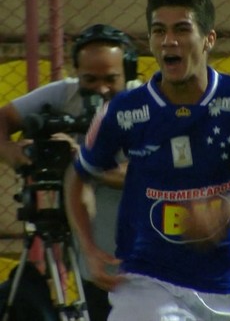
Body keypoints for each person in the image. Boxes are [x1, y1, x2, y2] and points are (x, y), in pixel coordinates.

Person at [64, 0, 230, 321]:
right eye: (158, 31)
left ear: (209, 39)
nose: (168, 41)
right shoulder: (123, 111)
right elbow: (78, 175)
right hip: (145, 281)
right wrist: (88, 248)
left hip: (221, 287)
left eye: (181, 29)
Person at [0, 23, 140, 321]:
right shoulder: (64, 94)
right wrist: (12, 152)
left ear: (128, 73)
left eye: (110, 79)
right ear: (77, 73)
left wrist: (84, 163)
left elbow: (148, 172)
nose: (100, 88)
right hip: (90, 252)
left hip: (139, 253)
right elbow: (4, 119)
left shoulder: (148, 103)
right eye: (89, 79)